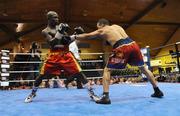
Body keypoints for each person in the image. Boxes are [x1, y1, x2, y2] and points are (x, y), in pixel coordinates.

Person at [72, 18, 164, 104]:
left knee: (107, 70)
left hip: (121, 47)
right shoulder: (117, 26)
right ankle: (157, 91)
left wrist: (74, 37)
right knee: (143, 68)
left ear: (101, 24)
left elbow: (88, 36)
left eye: (98, 27)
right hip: (133, 44)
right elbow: (113, 38)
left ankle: (105, 97)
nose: (98, 29)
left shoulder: (103, 29)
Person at [24, 11, 94, 103]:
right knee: (41, 75)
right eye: (54, 17)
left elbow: (66, 41)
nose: (57, 19)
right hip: (53, 55)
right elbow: (52, 43)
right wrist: (60, 32)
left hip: (66, 54)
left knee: (79, 73)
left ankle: (92, 94)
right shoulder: (45, 31)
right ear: (49, 19)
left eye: (57, 17)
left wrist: (76, 35)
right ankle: (33, 93)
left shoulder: (61, 28)